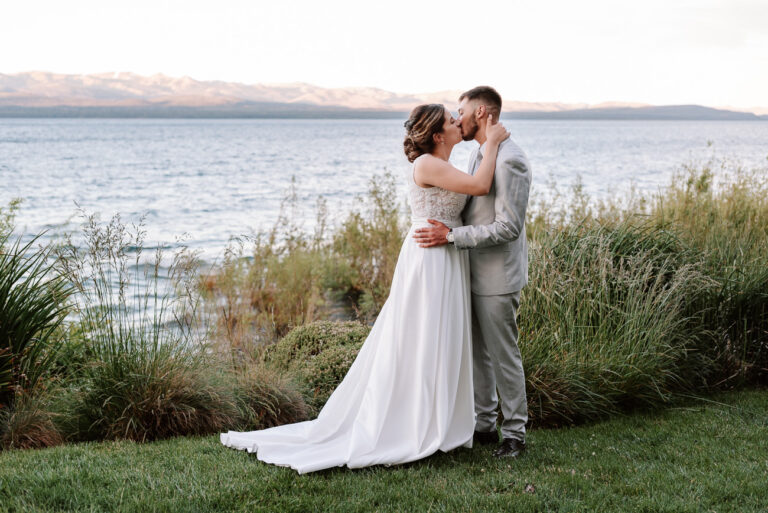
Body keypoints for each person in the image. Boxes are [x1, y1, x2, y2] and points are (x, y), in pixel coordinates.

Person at [220, 104, 509, 474]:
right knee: (421, 336)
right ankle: (415, 423)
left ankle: (441, 420)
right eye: (452, 122)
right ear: (438, 135)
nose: (458, 123)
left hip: (447, 252)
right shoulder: (425, 164)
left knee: (442, 336)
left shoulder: (449, 165)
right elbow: (482, 185)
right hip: (429, 259)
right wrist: (494, 143)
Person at [413, 86, 531, 458]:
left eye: (460, 111)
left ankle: (514, 434)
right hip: (464, 269)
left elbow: (508, 227)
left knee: (503, 354)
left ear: (481, 113)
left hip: (496, 275)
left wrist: (451, 236)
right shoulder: (481, 153)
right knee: (477, 353)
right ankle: (483, 425)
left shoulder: (510, 158)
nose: (457, 118)